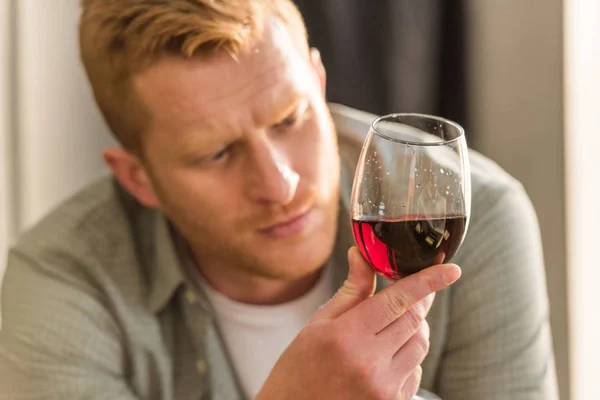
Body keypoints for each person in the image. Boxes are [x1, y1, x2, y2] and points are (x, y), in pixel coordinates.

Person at [0, 1, 558, 399]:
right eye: (216, 153)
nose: (280, 184)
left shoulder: (476, 215)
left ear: (317, 79)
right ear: (137, 178)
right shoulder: (63, 280)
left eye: (289, 119)